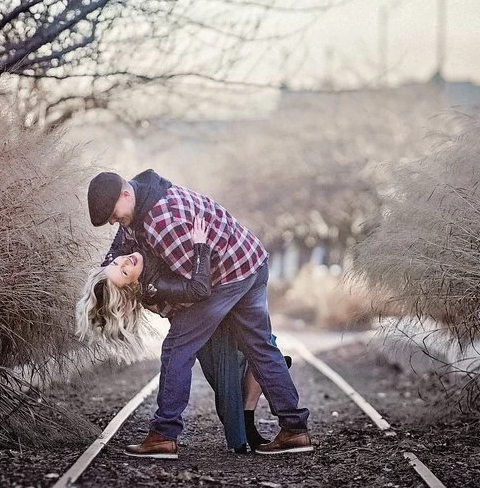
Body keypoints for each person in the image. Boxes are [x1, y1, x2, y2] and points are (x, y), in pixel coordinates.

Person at [85, 169, 312, 457]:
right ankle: (294, 428)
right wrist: (106, 272)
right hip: (252, 260)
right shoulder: (142, 195)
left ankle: (164, 435)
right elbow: (122, 244)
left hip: (227, 276)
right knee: (261, 346)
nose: (117, 223)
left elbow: (197, 288)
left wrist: (158, 294)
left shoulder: (162, 223)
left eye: (115, 216)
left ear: (126, 195)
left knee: (178, 348)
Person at [76, 218, 284, 454]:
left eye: (118, 262)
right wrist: (200, 247)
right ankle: (232, 425)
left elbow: (120, 242)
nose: (125, 260)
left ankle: (244, 421)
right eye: (124, 270)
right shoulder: (152, 286)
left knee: (255, 352)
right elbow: (198, 290)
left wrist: (127, 215)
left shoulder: (129, 260)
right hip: (204, 315)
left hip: (219, 301)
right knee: (226, 380)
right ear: (132, 286)